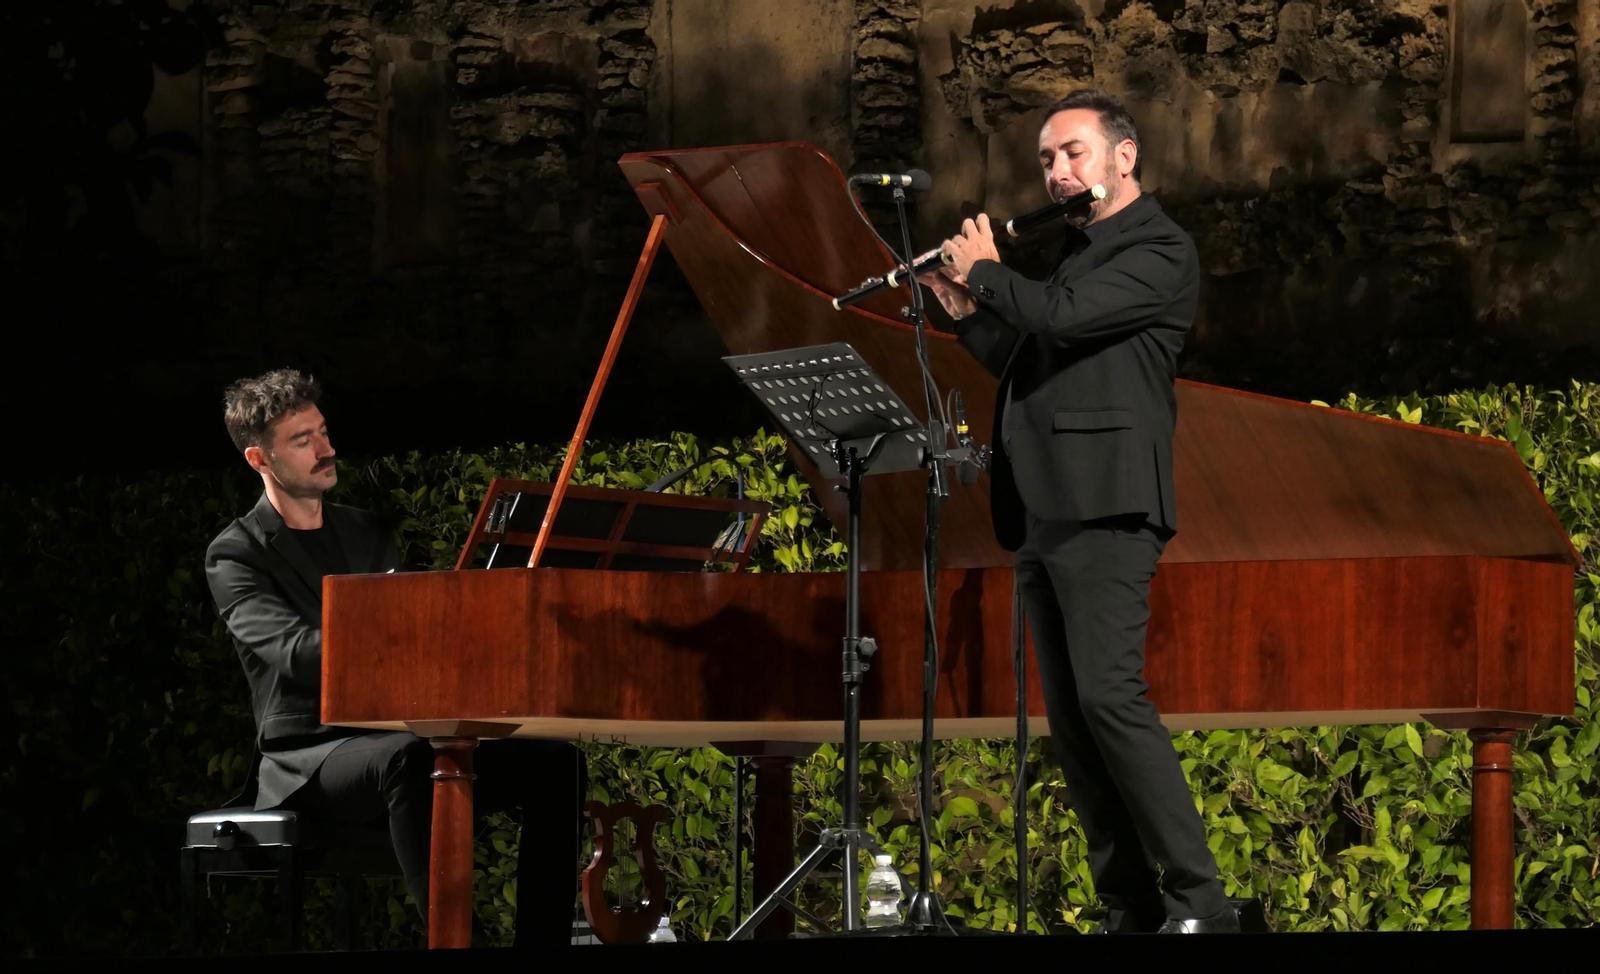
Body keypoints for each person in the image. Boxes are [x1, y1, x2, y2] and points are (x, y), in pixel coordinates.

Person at [920, 89, 1239, 934]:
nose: (1057, 173)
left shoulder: (1158, 248)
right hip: (1045, 507)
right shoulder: (1077, 255)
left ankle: (1202, 906)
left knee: (1110, 700)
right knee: (1072, 720)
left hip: (1108, 503)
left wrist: (985, 271)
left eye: (1072, 154)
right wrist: (967, 314)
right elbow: (1033, 358)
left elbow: (1058, 317)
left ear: (1122, 158)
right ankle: (1128, 906)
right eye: (1047, 161)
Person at [204, 368, 584, 948]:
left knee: (557, 761)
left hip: (393, 731)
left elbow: (409, 639)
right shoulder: (236, 553)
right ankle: (461, 946)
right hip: (310, 754)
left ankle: (543, 947)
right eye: (303, 440)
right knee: (411, 759)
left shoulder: (365, 531)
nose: (326, 449)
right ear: (259, 459)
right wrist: (403, 629)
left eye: (323, 431)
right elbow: (294, 654)